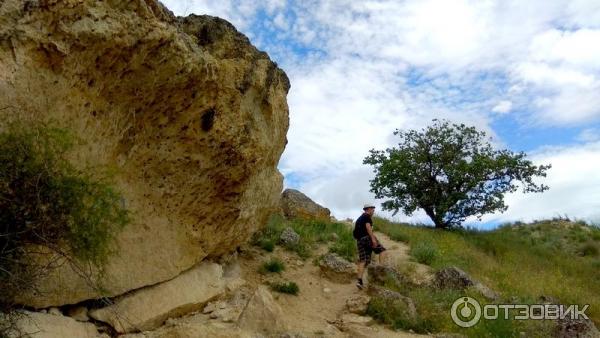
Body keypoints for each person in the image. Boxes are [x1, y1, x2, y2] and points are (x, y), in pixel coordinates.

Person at [353, 203, 386, 289]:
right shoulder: (367, 217)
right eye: (372, 209)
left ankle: (359, 281)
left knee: (363, 261)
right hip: (367, 238)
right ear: (368, 209)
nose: (373, 211)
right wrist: (373, 239)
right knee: (382, 250)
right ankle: (381, 269)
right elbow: (368, 227)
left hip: (359, 241)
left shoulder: (359, 219)